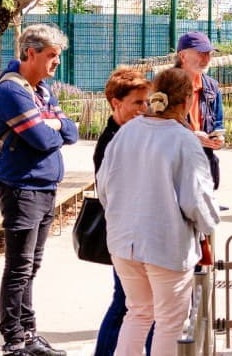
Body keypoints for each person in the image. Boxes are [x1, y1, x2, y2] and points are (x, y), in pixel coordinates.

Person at [101, 68, 221, 356]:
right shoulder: (184, 140)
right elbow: (196, 200)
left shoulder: (127, 131)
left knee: (138, 313)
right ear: (187, 101)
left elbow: (104, 186)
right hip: (165, 244)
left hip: (123, 241)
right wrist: (209, 225)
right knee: (169, 322)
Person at [0, 24, 79, 356]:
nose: (56, 63)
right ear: (31, 53)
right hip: (21, 189)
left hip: (43, 187)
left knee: (31, 267)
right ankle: (13, 340)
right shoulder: (12, 92)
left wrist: (54, 124)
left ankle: (29, 335)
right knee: (19, 266)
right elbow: (42, 140)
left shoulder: (40, 90)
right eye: (52, 56)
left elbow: (71, 131)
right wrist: (53, 126)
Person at [93, 68, 152, 356]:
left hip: (134, 235)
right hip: (126, 236)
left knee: (138, 304)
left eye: (147, 102)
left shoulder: (132, 133)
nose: (144, 109)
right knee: (127, 304)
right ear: (117, 103)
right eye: (138, 103)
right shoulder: (111, 142)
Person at [175, 32, 226, 190]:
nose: (207, 59)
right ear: (182, 56)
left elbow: (218, 123)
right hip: (175, 165)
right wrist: (190, 136)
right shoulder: (166, 87)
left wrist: (218, 138)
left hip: (203, 163)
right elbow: (157, 127)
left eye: (208, 53)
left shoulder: (212, 86)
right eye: (200, 53)